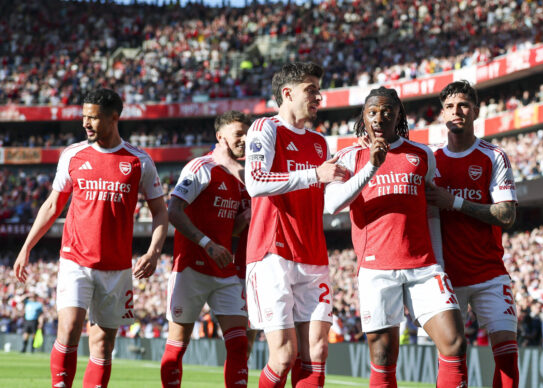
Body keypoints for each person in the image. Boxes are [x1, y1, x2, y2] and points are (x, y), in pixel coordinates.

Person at [13, 88, 168, 388]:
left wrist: (154, 251)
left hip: (117, 266)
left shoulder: (139, 161)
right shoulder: (72, 154)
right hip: (75, 259)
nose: (86, 123)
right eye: (84, 116)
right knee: (69, 328)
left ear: (114, 118)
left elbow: (161, 212)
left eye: (93, 118)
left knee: (102, 344)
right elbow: (51, 205)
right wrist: (26, 247)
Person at [325, 87, 468, 387]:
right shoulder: (351, 157)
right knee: (384, 357)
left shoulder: (422, 154)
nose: (379, 117)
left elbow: (432, 212)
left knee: (454, 343)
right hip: (376, 270)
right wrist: (371, 167)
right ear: (363, 117)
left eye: (387, 111)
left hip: (424, 267)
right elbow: (331, 204)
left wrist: (439, 262)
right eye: (372, 111)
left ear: (398, 115)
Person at [244, 62, 347, 388]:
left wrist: (367, 171)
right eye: (311, 90)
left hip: (313, 255)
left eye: (319, 89)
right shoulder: (265, 128)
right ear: (287, 93)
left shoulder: (319, 143)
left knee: (317, 351)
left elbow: (328, 201)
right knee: (284, 356)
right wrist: (315, 175)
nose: (319, 97)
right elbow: (255, 182)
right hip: (272, 253)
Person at [425, 80, 518, 387]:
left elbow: (507, 214)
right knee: (452, 355)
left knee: (507, 355)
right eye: (450, 106)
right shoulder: (430, 160)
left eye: (464, 105)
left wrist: (455, 202)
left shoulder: (493, 156)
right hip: (446, 275)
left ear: (476, 111)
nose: (457, 111)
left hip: (489, 272)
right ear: (442, 114)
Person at [160, 111, 250, 387]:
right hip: (191, 268)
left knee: (239, 346)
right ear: (220, 136)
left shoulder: (242, 177)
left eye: (247, 135)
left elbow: (228, 228)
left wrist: (243, 222)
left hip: (225, 272)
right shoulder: (200, 167)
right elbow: (173, 210)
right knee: (177, 346)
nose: (244, 140)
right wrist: (206, 244)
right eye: (238, 134)